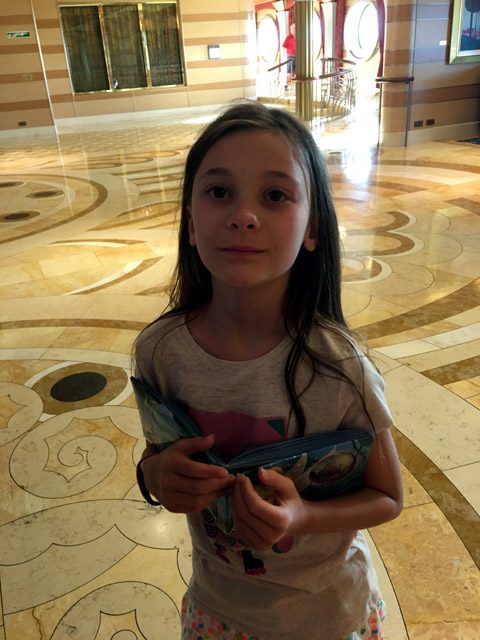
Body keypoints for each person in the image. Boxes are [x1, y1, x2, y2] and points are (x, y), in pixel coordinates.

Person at [135, 100, 403, 640]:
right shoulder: (161, 352)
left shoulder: (339, 367)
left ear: (312, 229)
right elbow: (156, 455)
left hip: (328, 616)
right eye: (219, 191)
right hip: (219, 609)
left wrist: (303, 517)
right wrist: (155, 477)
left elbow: (388, 497)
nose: (244, 215)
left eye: (276, 195)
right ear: (190, 223)